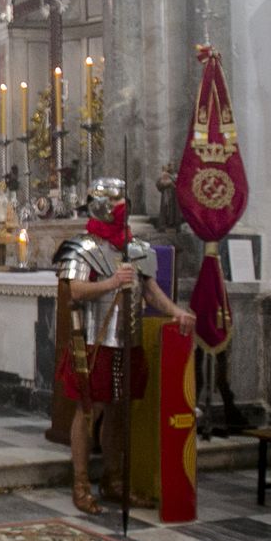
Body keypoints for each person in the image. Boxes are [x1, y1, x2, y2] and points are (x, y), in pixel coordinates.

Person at [54, 178, 196, 515]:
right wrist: (111, 282)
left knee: (119, 411)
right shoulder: (81, 247)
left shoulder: (138, 248)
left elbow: (149, 292)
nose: (121, 207)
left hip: (127, 341)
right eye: (114, 201)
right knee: (91, 410)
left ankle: (114, 480)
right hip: (94, 341)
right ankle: (81, 481)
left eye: (122, 200)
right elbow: (73, 291)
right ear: (99, 203)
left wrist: (176, 311)